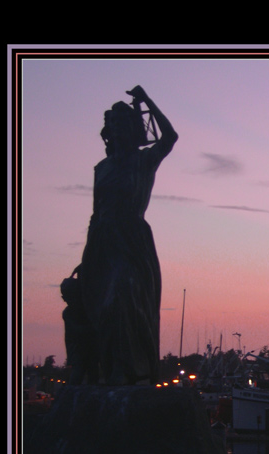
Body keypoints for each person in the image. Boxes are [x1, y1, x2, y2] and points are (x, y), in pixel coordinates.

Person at [78, 85, 177, 385]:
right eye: (114, 124)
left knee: (123, 295)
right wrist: (86, 258)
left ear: (134, 128)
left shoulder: (144, 159)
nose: (118, 129)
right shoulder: (102, 168)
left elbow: (170, 138)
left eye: (124, 123)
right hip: (101, 241)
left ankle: (130, 369)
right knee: (94, 305)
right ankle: (100, 370)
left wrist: (146, 101)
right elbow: (97, 212)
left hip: (132, 238)